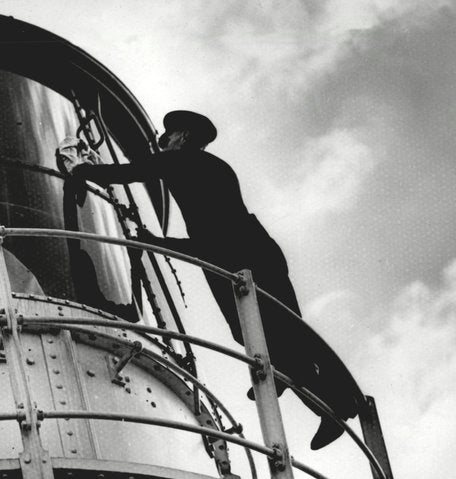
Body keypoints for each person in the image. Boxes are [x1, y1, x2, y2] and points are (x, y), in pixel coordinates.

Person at [58, 111, 356, 450]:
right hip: (244, 254)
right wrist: (158, 242)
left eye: (169, 135)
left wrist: (81, 171)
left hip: (244, 257)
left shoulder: (182, 161)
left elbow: (131, 173)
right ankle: (326, 397)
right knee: (266, 334)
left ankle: (335, 403)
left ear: (184, 137)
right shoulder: (207, 167)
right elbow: (210, 239)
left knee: (276, 334)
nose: (163, 141)